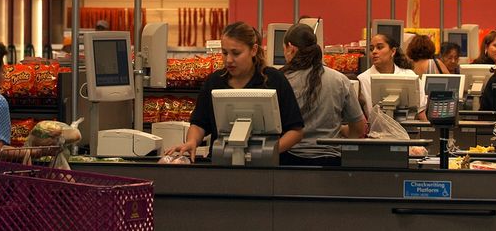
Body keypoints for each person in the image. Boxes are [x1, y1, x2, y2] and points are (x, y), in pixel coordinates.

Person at [168, 22, 304, 161]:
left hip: (267, 168)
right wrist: (192, 141)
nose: (229, 60)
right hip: (221, 163)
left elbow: (296, 131)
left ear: (253, 50)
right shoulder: (214, 82)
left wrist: (269, 152)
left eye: (236, 53)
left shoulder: (274, 80)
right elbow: (199, 123)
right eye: (225, 53)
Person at [279, 23, 365, 166]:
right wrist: (341, 130)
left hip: (289, 161)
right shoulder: (340, 80)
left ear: (291, 49)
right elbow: (359, 128)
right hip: (331, 162)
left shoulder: (281, 80)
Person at [357, 32, 423, 119]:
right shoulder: (362, 79)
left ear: (393, 51)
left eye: (379, 47)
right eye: (371, 49)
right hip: (376, 130)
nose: (374, 52)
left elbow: (421, 111)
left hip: (409, 129)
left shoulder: (409, 75)